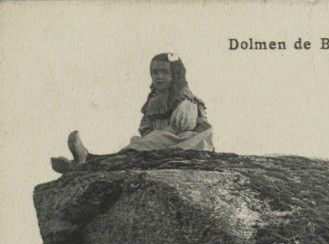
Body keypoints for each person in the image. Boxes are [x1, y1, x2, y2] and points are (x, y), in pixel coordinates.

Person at [51, 52, 214, 173]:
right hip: (160, 141)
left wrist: (151, 140)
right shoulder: (154, 100)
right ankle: (86, 161)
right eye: (155, 73)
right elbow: (146, 128)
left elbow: (182, 126)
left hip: (184, 141)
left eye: (165, 72)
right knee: (135, 149)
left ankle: (87, 161)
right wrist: (149, 139)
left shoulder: (185, 100)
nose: (159, 77)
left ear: (175, 74)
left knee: (135, 149)